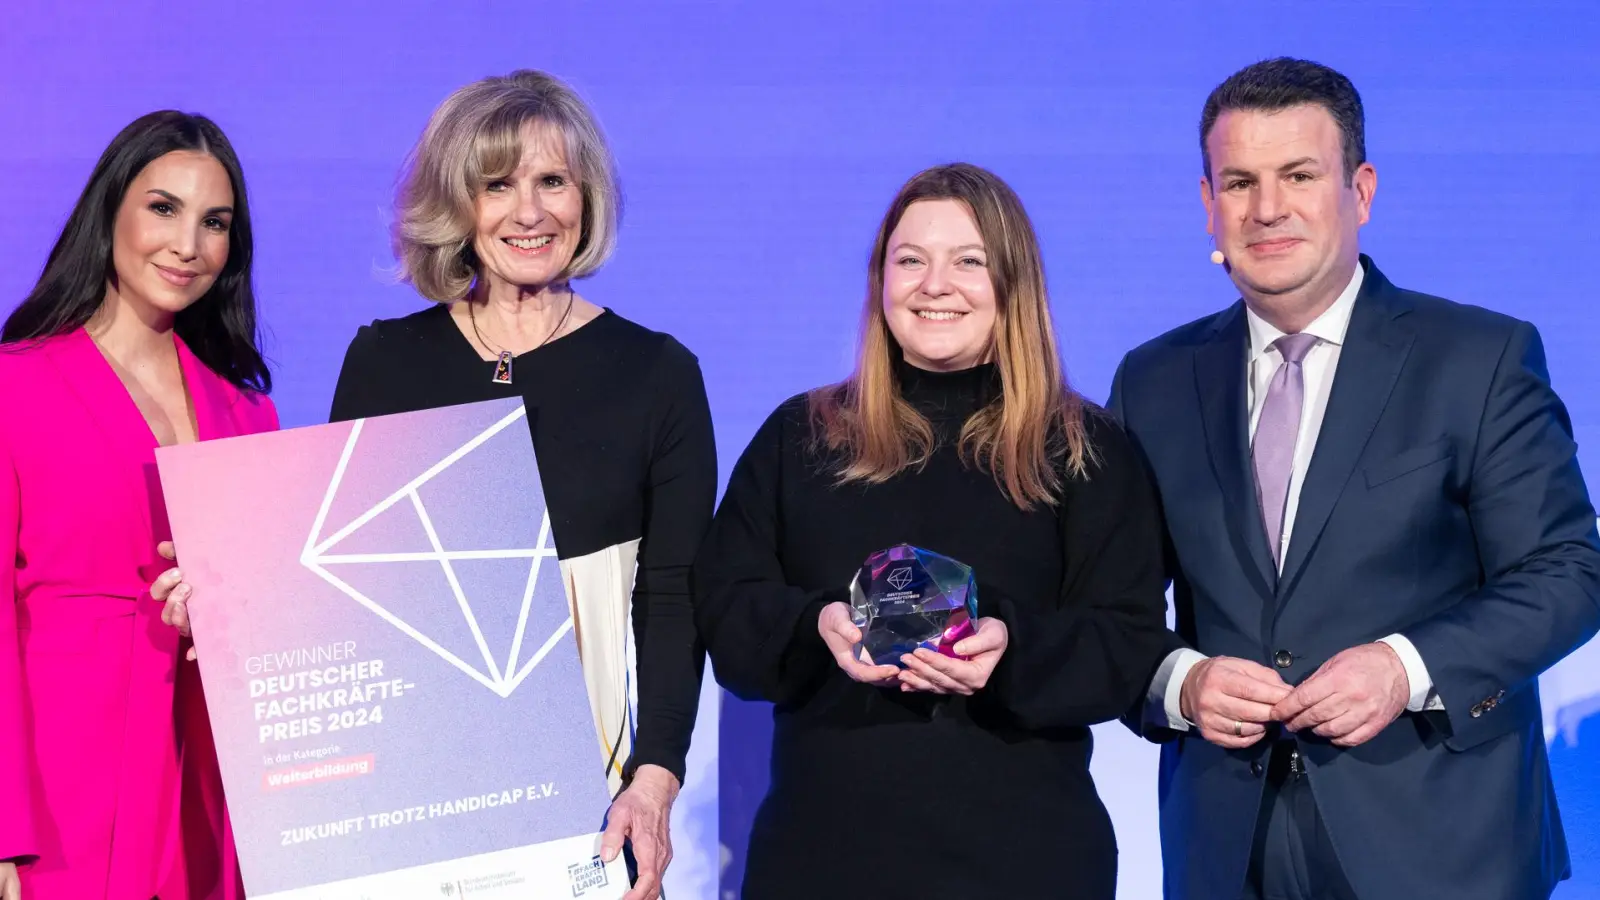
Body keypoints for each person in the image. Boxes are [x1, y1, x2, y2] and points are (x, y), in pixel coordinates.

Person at [1112, 57, 1600, 900]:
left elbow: (1569, 571)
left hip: (1443, 844)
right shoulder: (1152, 380)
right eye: (1240, 183)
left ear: (1360, 191)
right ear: (1208, 204)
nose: (1267, 208)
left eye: (1299, 175)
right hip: (1228, 849)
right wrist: (1179, 684)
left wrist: (1404, 667)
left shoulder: (1478, 358)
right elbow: (1106, 606)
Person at [694, 162, 1169, 899]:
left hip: (1026, 864)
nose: (934, 285)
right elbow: (726, 610)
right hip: (822, 860)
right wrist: (816, 626)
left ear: (1013, 282)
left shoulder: (1085, 449)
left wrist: (1010, 649)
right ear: (880, 280)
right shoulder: (802, 436)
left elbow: (1128, 644)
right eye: (910, 260)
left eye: (968, 262)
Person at [327, 69, 714, 900]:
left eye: (552, 182)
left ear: (588, 198)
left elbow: (674, 599)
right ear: (456, 204)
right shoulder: (384, 363)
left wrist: (655, 781)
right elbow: (342, 599)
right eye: (497, 184)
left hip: (583, 808)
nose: (529, 211)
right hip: (412, 806)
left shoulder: (656, 375)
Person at [0, 111, 278, 899]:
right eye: (163, 208)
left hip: (208, 782)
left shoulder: (248, 411)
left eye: (214, 223)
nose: (188, 244)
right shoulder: (14, 384)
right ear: (110, 209)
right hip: (60, 786)